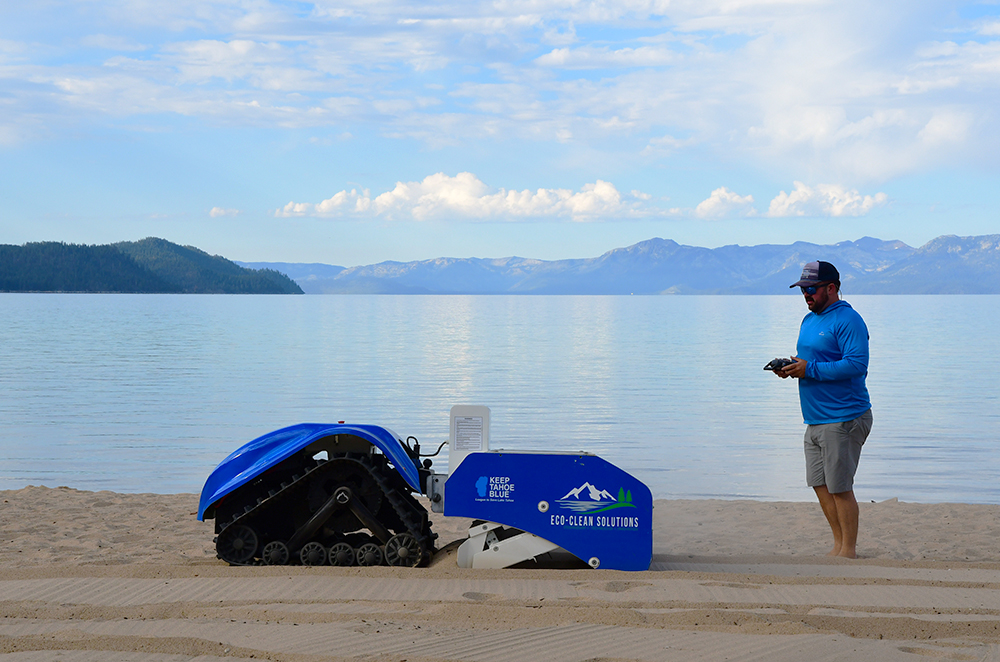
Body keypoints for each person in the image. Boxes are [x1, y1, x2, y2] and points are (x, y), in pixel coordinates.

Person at [773, 261, 873, 559]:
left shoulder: (849, 320)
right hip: (815, 417)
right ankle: (838, 545)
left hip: (844, 416)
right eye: (803, 289)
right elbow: (811, 363)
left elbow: (857, 364)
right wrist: (792, 368)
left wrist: (810, 368)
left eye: (811, 289)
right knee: (819, 484)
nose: (806, 295)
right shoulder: (809, 320)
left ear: (831, 287)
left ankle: (848, 552)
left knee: (840, 487)